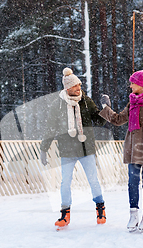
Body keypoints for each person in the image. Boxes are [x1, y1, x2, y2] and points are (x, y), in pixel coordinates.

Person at [98, 68, 143, 232]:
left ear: (141, 84)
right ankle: (133, 214)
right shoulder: (132, 102)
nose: (130, 86)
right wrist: (106, 107)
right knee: (132, 183)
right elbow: (118, 120)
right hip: (133, 148)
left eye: (133, 83)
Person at [40, 68, 107, 228]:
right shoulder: (58, 105)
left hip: (86, 149)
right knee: (65, 182)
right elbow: (50, 128)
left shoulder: (86, 101)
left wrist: (106, 109)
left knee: (93, 180)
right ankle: (65, 215)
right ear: (67, 88)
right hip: (67, 150)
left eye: (79, 85)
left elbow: (99, 121)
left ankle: (100, 209)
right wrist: (44, 149)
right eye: (75, 86)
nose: (79, 88)